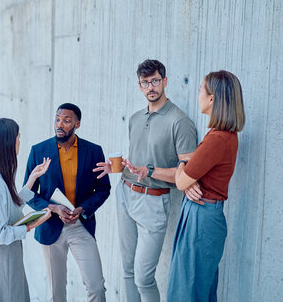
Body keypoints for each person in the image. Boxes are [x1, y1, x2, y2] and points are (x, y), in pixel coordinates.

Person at [124, 70, 245, 301]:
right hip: (202, 213)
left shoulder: (217, 138)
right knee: (198, 289)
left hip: (201, 217)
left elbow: (181, 180)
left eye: (201, 89)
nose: (198, 94)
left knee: (186, 290)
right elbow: (189, 178)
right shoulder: (223, 135)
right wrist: (188, 175)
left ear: (212, 99)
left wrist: (182, 164)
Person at [94, 60, 197, 302]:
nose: (150, 86)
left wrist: (149, 171)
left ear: (165, 81)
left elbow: (188, 174)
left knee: (143, 277)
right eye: (145, 82)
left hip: (154, 202)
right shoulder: (135, 118)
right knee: (128, 270)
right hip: (126, 194)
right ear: (139, 86)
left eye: (155, 81)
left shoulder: (179, 122)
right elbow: (139, 161)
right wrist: (117, 169)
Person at [24, 103, 111, 302]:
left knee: (97, 288)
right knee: (57, 293)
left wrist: (82, 209)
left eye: (66, 120)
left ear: (77, 124)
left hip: (81, 225)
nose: (60, 124)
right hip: (51, 227)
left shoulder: (93, 151)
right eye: (57, 119)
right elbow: (27, 193)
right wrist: (53, 208)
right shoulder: (39, 150)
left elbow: (104, 189)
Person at [0, 118, 52, 302]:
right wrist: (30, 226)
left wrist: (33, 177)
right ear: (7, 143)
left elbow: (11, 206)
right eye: (18, 137)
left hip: (8, 255)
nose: (20, 141)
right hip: (3, 258)